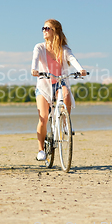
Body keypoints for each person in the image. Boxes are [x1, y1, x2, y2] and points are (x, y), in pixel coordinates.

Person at [31, 19, 87, 161]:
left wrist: (80, 69)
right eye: (43, 28)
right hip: (44, 85)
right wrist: (34, 69)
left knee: (66, 93)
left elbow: (72, 59)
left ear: (55, 31)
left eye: (47, 28)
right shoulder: (39, 47)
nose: (44, 30)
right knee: (43, 118)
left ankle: (65, 123)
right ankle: (41, 150)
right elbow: (35, 59)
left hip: (60, 82)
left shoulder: (64, 49)